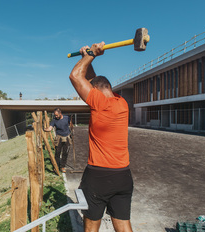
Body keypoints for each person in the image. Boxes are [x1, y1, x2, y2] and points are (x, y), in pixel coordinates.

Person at [69, 42, 133, 232]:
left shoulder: (99, 103)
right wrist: (87, 57)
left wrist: (91, 55)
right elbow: (94, 80)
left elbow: (75, 76)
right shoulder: (121, 102)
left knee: (90, 226)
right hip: (123, 175)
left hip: (99, 176)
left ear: (95, 90)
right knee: (123, 225)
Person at [44, 108, 71, 173]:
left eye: (56, 115)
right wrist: (45, 129)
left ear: (60, 113)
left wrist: (71, 131)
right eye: (55, 115)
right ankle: (56, 167)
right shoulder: (54, 120)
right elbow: (50, 128)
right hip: (59, 138)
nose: (56, 116)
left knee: (65, 153)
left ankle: (62, 166)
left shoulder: (66, 118)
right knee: (57, 152)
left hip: (67, 137)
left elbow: (70, 124)